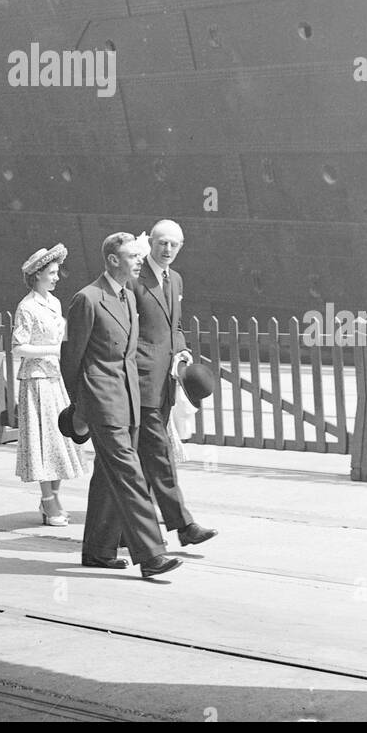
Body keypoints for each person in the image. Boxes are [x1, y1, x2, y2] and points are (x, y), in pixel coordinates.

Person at [61, 232, 183, 581]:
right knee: (131, 476)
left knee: (108, 477)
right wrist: (81, 409)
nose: (139, 261)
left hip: (129, 403)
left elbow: (128, 356)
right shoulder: (88, 299)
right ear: (113, 260)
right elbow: (71, 359)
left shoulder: (128, 296)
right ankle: (152, 555)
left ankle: (98, 552)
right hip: (102, 404)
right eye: (132, 256)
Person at [131, 220, 217, 548]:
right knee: (159, 454)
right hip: (141, 381)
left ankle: (120, 530)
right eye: (162, 243)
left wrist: (181, 351)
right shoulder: (136, 278)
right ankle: (183, 525)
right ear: (150, 242)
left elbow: (175, 324)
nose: (167, 250)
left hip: (165, 382)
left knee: (140, 459)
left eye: (174, 245)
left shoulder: (175, 279)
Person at [12, 243, 84, 524]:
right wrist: (51, 351)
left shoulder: (54, 303)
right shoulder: (26, 307)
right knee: (43, 441)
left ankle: (53, 497)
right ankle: (47, 500)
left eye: (56, 273)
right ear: (37, 275)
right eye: (52, 273)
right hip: (36, 381)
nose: (56, 278)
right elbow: (18, 347)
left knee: (60, 439)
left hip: (56, 380)